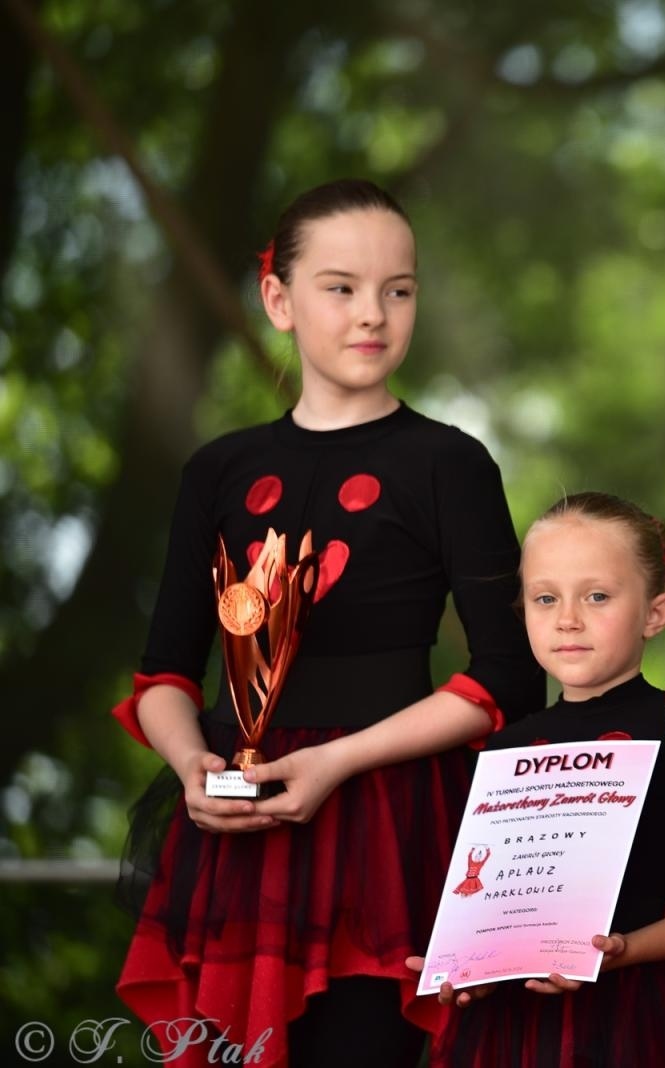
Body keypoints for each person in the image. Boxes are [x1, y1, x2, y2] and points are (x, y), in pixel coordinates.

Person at [111, 178, 544, 1067]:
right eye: (341, 287)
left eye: (399, 289)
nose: (373, 314)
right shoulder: (218, 471)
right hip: (236, 836)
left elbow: (507, 677)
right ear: (279, 299)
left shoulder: (450, 464)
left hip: (385, 828)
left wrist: (338, 761)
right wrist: (195, 768)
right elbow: (163, 676)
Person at [412, 491, 665, 1067]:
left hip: (640, 1015)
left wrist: (621, 952)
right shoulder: (500, 749)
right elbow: (487, 902)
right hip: (510, 1028)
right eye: (545, 598)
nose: (568, 618)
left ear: (656, 612)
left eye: (597, 596)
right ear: (522, 611)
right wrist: (466, 966)